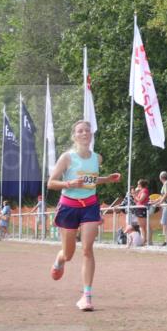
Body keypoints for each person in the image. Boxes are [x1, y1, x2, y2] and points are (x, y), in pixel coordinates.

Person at [47, 120, 121, 311]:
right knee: (69, 254)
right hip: (69, 207)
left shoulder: (97, 158)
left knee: (87, 249)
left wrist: (107, 179)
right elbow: (51, 183)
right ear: (74, 136)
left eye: (87, 130)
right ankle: (59, 260)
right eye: (80, 131)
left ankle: (86, 296)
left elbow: (91, 180)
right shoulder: (67, 157)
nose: (84, 133)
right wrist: (69, 184)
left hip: (90, 206)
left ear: (91, 134)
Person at [131, 178, 150, 246]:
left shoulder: (144, 190)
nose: (137, 185)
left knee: (143, 226)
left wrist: (134, 195)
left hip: (142, 209)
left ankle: (144, 240)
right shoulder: (141, 191)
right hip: (139, 209)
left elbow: (141, 200)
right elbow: (136, 201)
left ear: (141, 184)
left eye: (138, 184)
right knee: (141, 226)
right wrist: (134, 195)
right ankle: (144, 240)